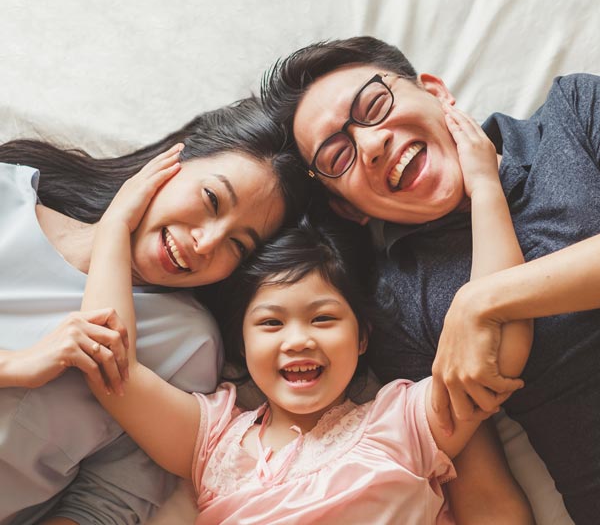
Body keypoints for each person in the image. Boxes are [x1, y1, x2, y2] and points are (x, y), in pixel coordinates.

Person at [76, 113, 533, 525]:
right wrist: (115, 225)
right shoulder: (213, 441)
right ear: (240, 345)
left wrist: (486, 189)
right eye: (271, 324)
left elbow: (497, 342)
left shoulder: (403, 423)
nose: (298, 340)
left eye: (323, 320)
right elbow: (111, 363)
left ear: (362, 338)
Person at [261, 35, 600, 524]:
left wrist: (482, 302)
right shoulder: (396, 305)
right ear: (346, 208)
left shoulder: (575, 110)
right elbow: (484, 493)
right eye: (338, 156)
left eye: (374, 104)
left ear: (437, 92)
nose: (372, 143)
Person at [0, 97, 308, 524]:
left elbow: (107, 504)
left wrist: (115, 230)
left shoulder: (187, 345)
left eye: (239, 244)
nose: (206, 242)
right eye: (212, 200)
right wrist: (14, 365)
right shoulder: (6, 196)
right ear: (173, 160)